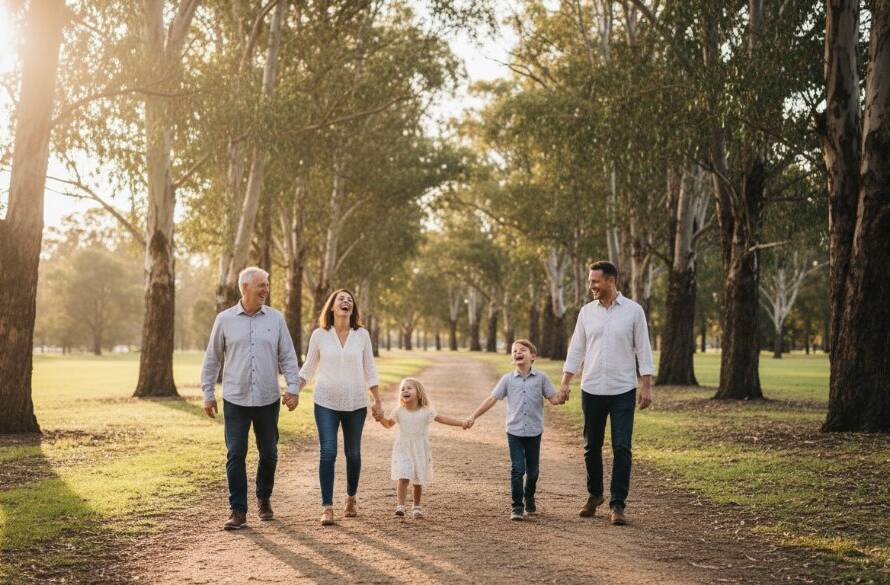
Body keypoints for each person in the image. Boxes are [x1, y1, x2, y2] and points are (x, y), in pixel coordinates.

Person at [200, 267, 301, 530]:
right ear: (245, 287)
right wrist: (208, 394)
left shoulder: (276, 319)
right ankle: (238, 510)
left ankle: (264, 497)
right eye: (261, 285)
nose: (266, 290)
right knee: (236, 454)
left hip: (268, 399)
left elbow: (288, 356)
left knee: (269, 453)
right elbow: (212, 358)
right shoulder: (224, 320)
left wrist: (293, 388)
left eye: (267, 285)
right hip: (235, 398)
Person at [560, 260, 653, 526]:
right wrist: (566, 382)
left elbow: (643, 350)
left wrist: (646, 386)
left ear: (610, 281)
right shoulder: (587, 313)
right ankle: (595, 495)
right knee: (591, 447)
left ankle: (617, 504)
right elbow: (576, 349)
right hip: (592, 388)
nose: (591, 286)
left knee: (622, 447)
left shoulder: (634, 312)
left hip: (623, 389)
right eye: (590, 281)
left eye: (595, 282)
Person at [296, 288, 383, 526]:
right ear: (332, 307)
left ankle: (351, 497)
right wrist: (294, 390)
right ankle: (327, 506)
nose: (346, 302)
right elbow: (309, 368)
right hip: (326, 402)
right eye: (341, 299)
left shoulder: (362, 335)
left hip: (356, 402)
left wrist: (377, 400)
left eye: (349, 300)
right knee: (328, 452)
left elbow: (370, 369)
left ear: (352, 308)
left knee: (353, 453)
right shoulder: (320, 335)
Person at [465, 339, 565, 520]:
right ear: (512, 358)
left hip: (534, 432)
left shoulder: (541, 378)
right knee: (518, 469)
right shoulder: (507, 380)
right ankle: (517, 506)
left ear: (532, 356)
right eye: (514, 351)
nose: (518, 352)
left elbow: (554, 399)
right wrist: (473, 416)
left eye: (523, 350)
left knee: (533, 472)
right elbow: (491, 399)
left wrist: (563, 395)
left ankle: (529, 496)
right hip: (514, 432)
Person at [376, 377, 466, 518]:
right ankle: (400, 505)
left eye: (409, 388)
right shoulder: (399, 411)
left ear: (419, 393)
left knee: (418, 479)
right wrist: (380, 418)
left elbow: (442, 419)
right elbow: (388, 424)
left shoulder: (426, 411)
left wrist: (461, 423)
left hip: (420, 449)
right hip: (403, 449)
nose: (405, 390)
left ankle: (416, 506)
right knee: (403, 476)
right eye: (402, 389)